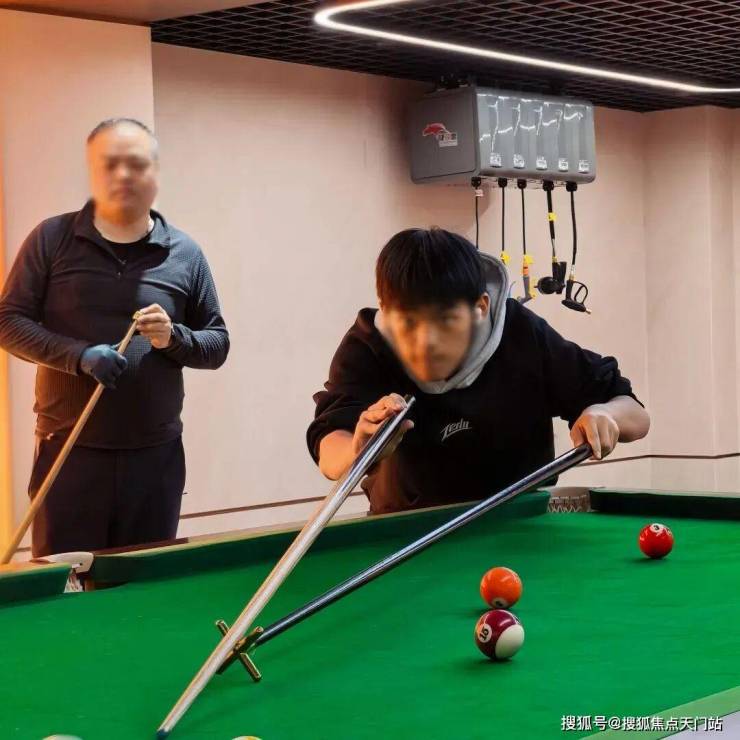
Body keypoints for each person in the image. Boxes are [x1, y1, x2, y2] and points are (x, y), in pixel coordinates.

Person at [0, 118, 229, 556]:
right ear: (92, 171)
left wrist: (174, 338)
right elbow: (8, 322)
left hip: (155, 458)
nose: (124, 175)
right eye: (110, 164)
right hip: (68, 453)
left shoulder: (185, 254)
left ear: (155, 173)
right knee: (66, 585)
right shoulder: (51, 239)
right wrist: (78, 355)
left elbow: (217, 344)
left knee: (146, 585)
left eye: (137, 164)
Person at [307, 227, 649, 514]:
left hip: (521, 527)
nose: (426, 343)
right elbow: (329, 448)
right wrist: (359, 449)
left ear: (481, 307)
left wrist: (605, 414)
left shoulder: (520, 333)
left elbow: (635, 414)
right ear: (385, 309)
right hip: (404, 538)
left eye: (445, 321)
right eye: (408, 323)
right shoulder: (369, 346)